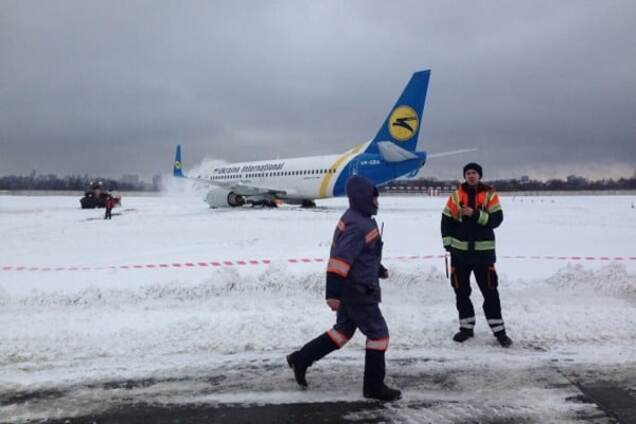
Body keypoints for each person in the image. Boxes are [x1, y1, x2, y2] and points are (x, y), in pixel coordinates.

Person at [287, 175, 401, 401]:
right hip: (358, 290)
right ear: (363, 198)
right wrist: (333, 293)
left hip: (357, 285)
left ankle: (301, 359)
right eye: (375, 198)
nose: (377, 203)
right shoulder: (358, 224)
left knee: (342, 332)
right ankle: (374, 387)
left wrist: (379, 269)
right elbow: (340, 260)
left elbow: (363, 255)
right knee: (379, 335)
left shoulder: (361, 219)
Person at [441, 163, 512, 347]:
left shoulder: (490, 195)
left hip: (483, 254)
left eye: (474, 173)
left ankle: (500, 332)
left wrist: (475, 214)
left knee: (490, 293)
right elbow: (446, 221)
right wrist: (448, 244)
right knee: (461, 293)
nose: (471, 176)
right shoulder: (456, 195)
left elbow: (497, 220)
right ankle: (466, 329)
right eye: (468, 173)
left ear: (480, 175)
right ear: (464, 176)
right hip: (460, 254)